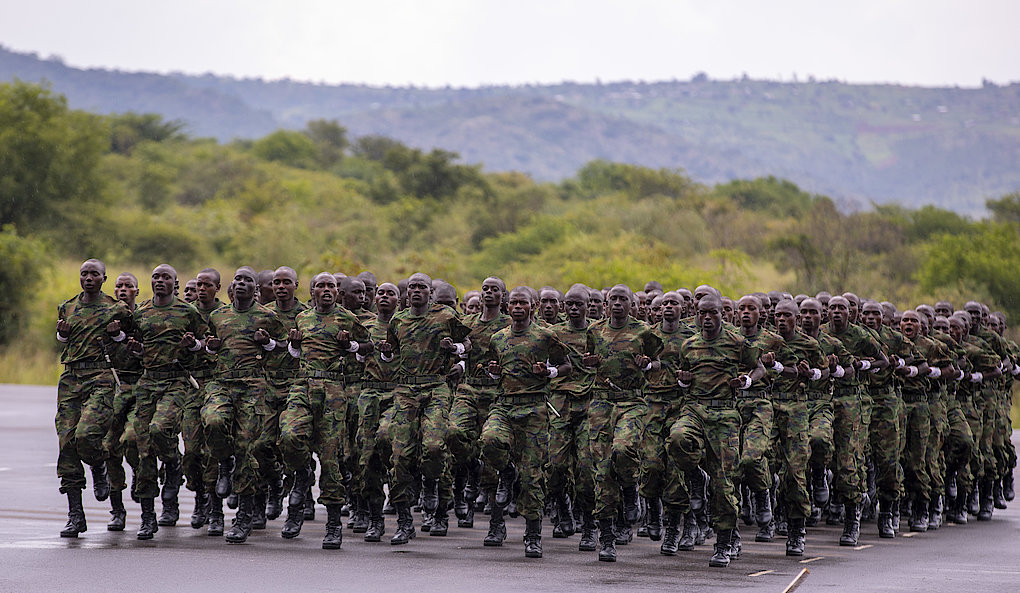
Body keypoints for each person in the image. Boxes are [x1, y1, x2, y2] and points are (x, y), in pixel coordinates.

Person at [670, 294, 765, 568]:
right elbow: (683, 375)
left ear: (722, 315)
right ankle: (695, 476)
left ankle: (724, 542)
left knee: (724, 483)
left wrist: (747, 380)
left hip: (724, 414)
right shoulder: (689, 345)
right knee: (677, 439)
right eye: (702, 313)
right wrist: (683, 381)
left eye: (713, 313)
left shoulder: (737, 342)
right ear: (696, 315)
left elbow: (759, 368)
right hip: (694, 408)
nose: (707, 318)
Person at [279, 272, 372, 549]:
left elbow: (368, 346)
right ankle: (302, 475)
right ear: (313, 292)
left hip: (333, 391)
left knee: (331, 458)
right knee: (289, 436)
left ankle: (333, 524)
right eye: (321, 286)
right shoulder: (303, 318)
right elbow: (296, 353)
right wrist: (294, 345)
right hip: (303, 385)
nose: (327, 289)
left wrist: (349, 346)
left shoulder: (347, 318)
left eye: (331, 285)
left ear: (337, 291)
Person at [378, 272, 470, 545]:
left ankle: (430, 482)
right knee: (399, 456)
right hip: (406, 391)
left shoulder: (445, 316)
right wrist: (385, 352)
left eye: (422, 287)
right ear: (407, 293)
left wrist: (454, 348)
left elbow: (468, 344)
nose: (416, 291)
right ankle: (404, 522)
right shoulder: (398, 320)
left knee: (433, 447)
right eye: (412, 287)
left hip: (435, 388)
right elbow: (391, 353)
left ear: (431, 292)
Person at [482, 286, 571, 558]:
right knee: (489, 441)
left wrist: (549, 372)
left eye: (523, 303)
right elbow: (495, 369)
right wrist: (493, 373)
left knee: (532, 475)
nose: (518, 307)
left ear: (533, 306)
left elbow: (567, 366)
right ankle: (507, 472)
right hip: (504, 405)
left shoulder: (545, 336)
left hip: (534, 409)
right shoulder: (498, 338)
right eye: (514, 303)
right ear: (508, 306)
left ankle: (533, 535)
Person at [201, 266, 286, 544]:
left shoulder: (267, 317)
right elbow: (208, 346)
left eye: (247, 280)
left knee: (247, 447)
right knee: (213, 422)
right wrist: (210, 346)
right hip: (222, 382)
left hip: (253, 386)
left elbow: (286, 347)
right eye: (237, 279)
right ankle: (224, 463)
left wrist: (268, 342)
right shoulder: (218, 316)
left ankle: (244, 517)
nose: (241, 283)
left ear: (256, 289)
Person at [127, 264, 207, 540]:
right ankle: (148, 516)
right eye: (156, 277)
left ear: (176, 283)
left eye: (166, 278)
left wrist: (191, 346)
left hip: (176, 382)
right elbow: (135, 346)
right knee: (143, 449)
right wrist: (136, 350)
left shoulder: (188, 312)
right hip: (148, 382)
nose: (160, 281)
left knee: (159, 429)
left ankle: (173, 462)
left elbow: (205, 345)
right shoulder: (141, 312)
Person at [583, 284, 663, 562]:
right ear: (606, 303)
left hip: (632, 401)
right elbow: (588, 360)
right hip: (601, 403)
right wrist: (589, 362)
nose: (617, 303)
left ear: (632, 304)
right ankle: (607, 538)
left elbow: (658, 363)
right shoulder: (594, 330)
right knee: (602, 470)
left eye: (622, 299)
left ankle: (630, 487)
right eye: (613, 299)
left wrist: (647, 365)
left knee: (624, 448)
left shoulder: (644, 332)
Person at [55, 259, 134, 538]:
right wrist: (62, 335)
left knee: (87, 435)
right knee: (66, 443)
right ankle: (75, 515)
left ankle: (98, 464)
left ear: (104, 278)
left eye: (94, 274)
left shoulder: (116, 308)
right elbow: (65, 339)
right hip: (71, 378)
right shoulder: (67, 307)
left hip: (100, 378)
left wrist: (118, 335)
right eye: (84, 274)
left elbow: (131, 341)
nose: (88, 278)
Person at [448, 277, 510, 533]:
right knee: (453, 433)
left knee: (491, 454)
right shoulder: (468, 323)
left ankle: (496, 523)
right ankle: (471, 466)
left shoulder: (509, 325)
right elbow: (459, 351)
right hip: (469, 389)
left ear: (503, 296)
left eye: (495, 289)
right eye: (485, 289)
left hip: (496, 393)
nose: (489, 293)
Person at [643, 291, 696, 553]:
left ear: (683, 308)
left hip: (680, 405)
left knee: (676, 469)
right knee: (651, 464)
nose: (668, 307)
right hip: (651, 404)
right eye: (664, 303)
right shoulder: (647, 336)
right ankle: (653, 509)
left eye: (673, 303)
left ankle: (676, 527)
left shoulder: (691, 338)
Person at [546, 285, 598, 550]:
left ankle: (589, 525)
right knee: (554, 466)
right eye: (569, 304)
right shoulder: (553, 334)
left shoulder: (598, 333)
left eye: (579, 304)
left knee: (586, 469)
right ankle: (562, 506)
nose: (574, 308)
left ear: (589, 306)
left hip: (590, 404)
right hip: (560, 404)